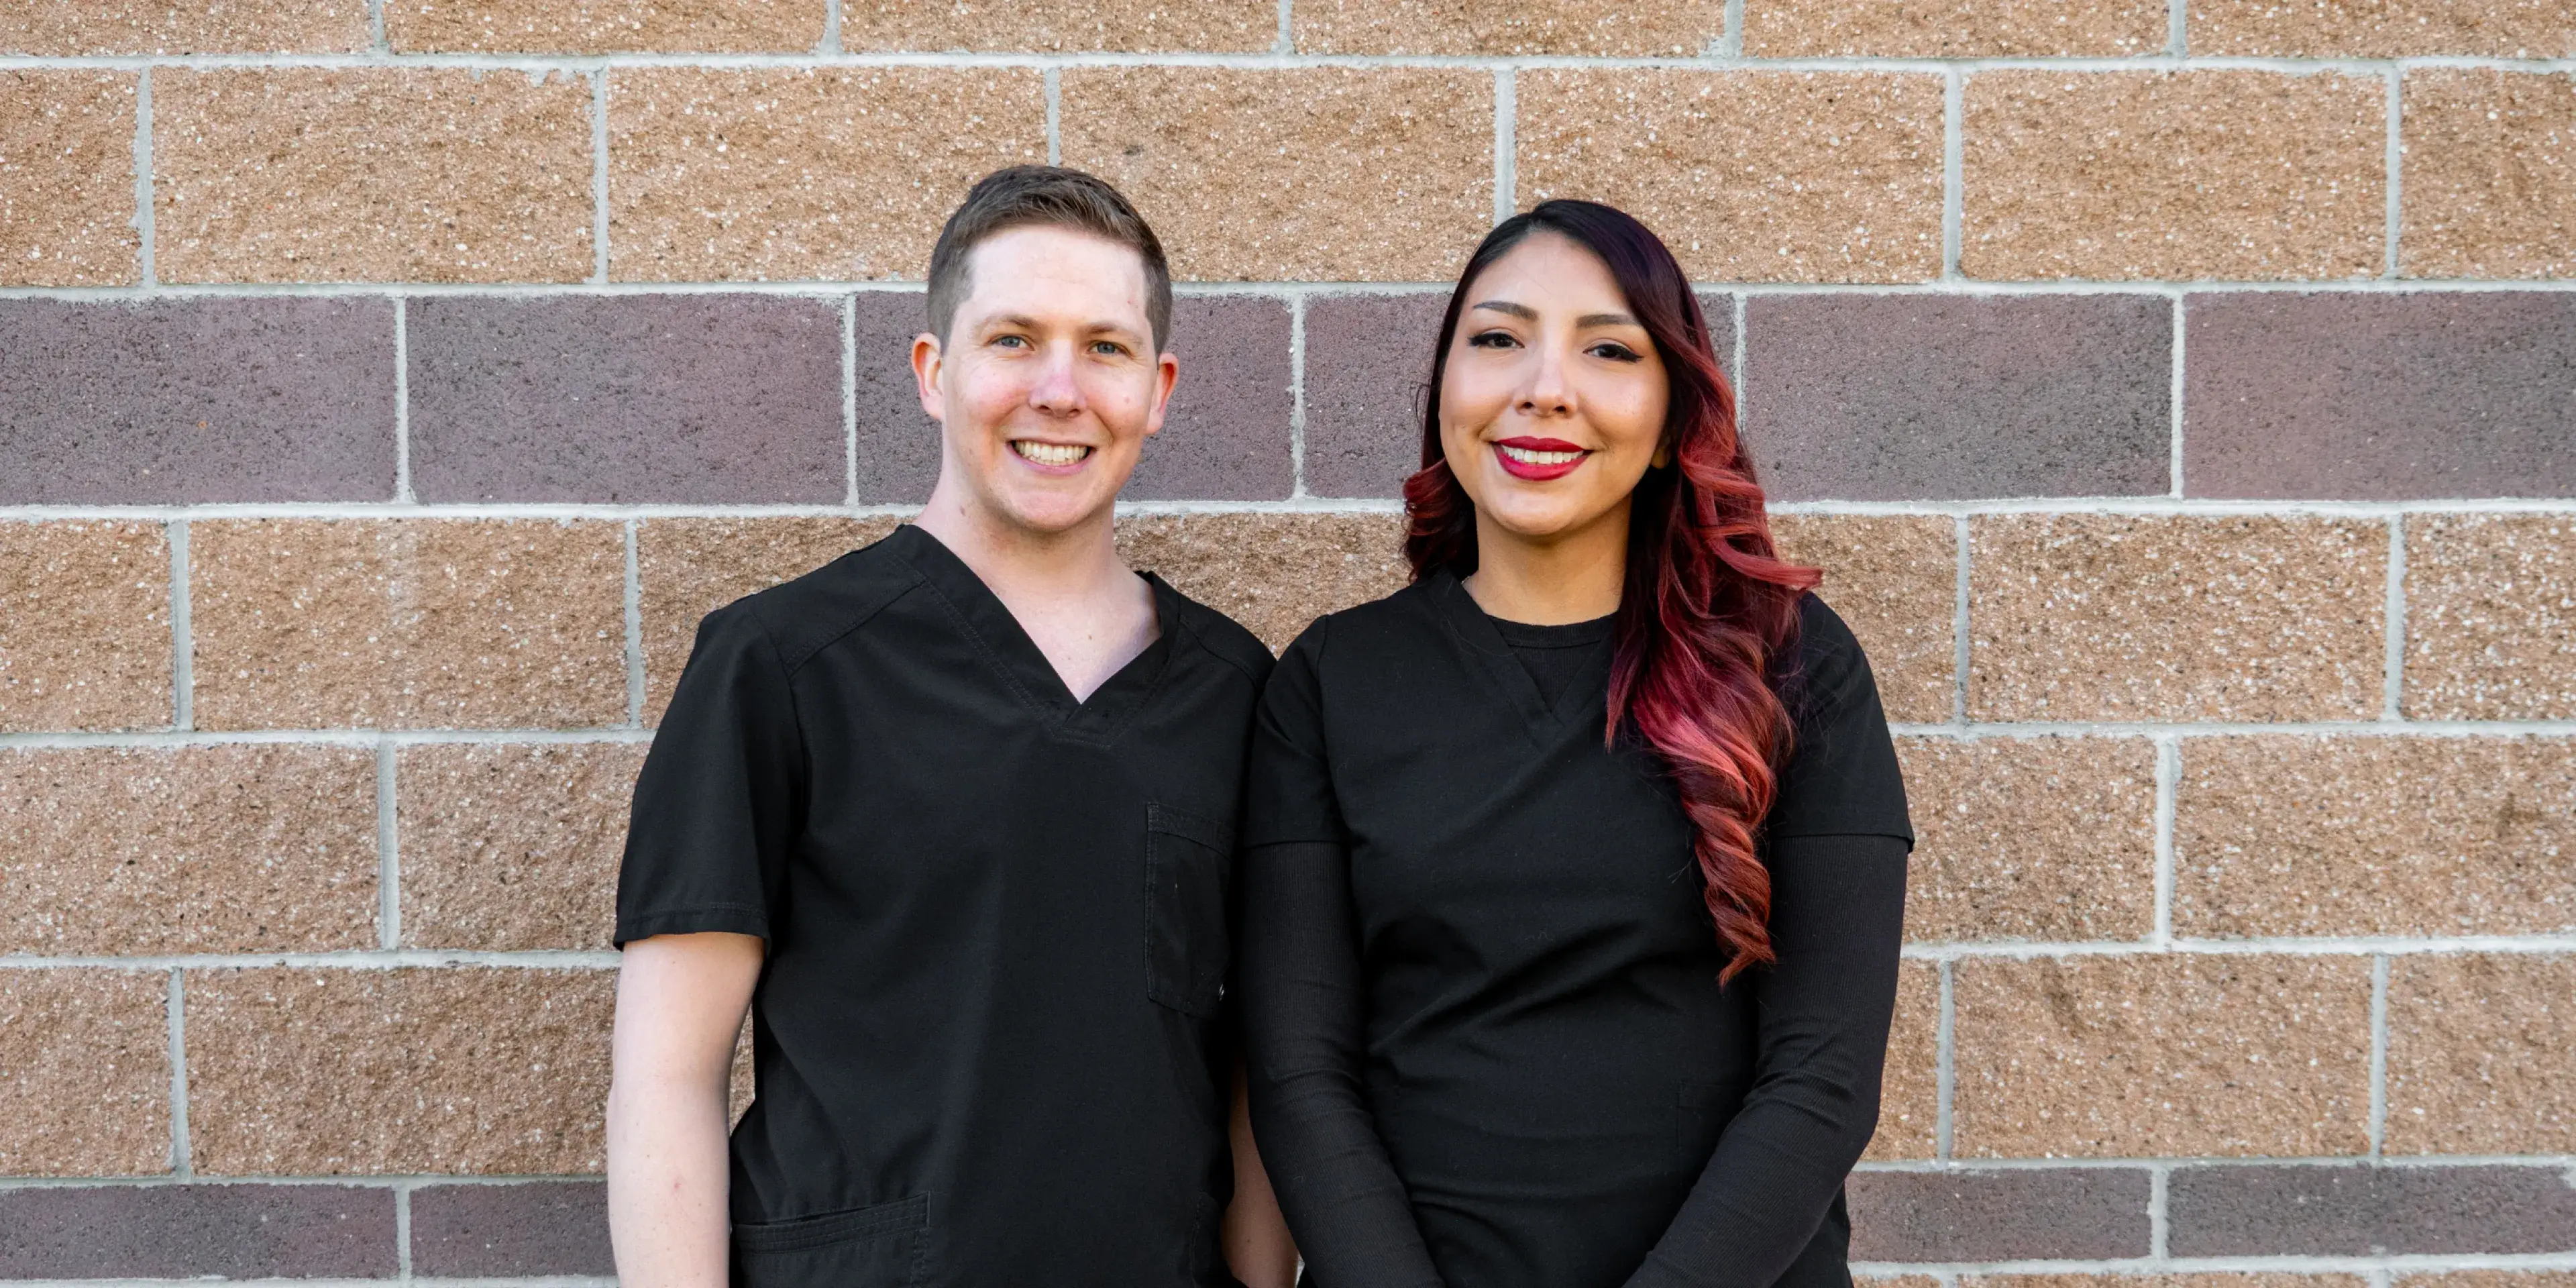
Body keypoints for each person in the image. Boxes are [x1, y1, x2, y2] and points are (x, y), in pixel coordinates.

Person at [606, 166, 1296, 1288]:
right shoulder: (780, 666)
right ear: (935, 372)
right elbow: (667, 1076)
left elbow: (1252, 1083)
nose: (1060, 389)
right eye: (1013, 339)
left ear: (1159, 389)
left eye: (1106, 348)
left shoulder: (1234, 692)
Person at [1238, 199, 1913, 1288]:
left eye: (1607, 349)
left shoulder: (1789, 662)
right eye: (1497, 339)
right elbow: (1301, 1071)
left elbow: (1823, 1077)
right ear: (1446, 391)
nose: (1542, 386)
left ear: (1670, 414)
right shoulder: (1330, 681)